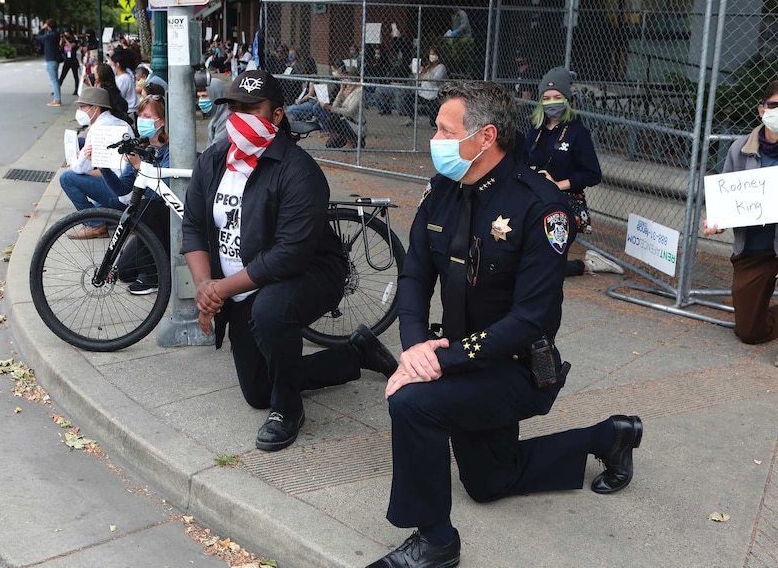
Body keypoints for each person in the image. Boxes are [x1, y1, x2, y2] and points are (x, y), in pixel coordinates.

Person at [363, 79, 643, 568]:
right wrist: (414, 347)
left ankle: (435, 542)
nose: (435, 137)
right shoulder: (444, 193)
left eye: (445, 129)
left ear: (485, 137)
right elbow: (414, 275)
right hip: (459, 361)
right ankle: (609, 437)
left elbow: (529, 318)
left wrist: (439, 360)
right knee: (489, 483)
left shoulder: (541, 207)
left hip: (515, 369)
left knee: (412, 404)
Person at [181, 70, 398, 452]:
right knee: (257, 390)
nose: (240, 116)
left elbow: (287, 256)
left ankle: (288, 410)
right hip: (240, 286)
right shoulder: (213, 161)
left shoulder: (299, 171)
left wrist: (220, 289)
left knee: (270, 311)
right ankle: (355, 354)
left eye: (252, 108)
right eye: (233, 108)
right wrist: (203, 288)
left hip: (311, 272)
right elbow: (195, 227)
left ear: (277, 115)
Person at [523, 67, 623, 276]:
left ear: (567, 99)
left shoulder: (578, 133)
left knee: (544, 268)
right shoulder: (535, 132)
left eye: (557, 97)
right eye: (547, 97)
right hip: (534, 200)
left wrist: (558, 184)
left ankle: (588, 265)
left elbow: (592, 174)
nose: (552, 102)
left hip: (566, 203)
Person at [703, 80, 778, 357]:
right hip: (755, 250)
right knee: (748, 333)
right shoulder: (739, 149)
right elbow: (729, 198)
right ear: (762, 110)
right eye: (774, 105)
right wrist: (717, 220)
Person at [102, 94, 171, 295]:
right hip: (151, 221)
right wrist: (104, 166)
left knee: (146, 206)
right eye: (140, 115)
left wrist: (140, 166)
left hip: (168, 220)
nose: (142, 120)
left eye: (147, 116)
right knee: (124, 271)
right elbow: (122, 189)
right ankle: (157, 265)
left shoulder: (171, 150)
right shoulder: (143, 149)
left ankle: (153, 278)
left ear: (162, 121)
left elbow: (162, 192)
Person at [59, 87, 134, 239]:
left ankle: (95, 225)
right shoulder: (122, 124)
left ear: (95, 108)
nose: (80, 111)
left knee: (67, 178)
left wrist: (73, 164)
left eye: (82, 107)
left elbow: (81, 168)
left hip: (121, 193)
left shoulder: (98, 128)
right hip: (130, 191)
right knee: (95, 205)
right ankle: (107, 219)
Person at [312, 65, 364, 149]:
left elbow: (349, 112)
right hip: (345, 120)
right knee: (330, 144)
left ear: (354, 79)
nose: (346, 80)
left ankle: (351, 141)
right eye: (345, 78)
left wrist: (330, 108)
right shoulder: (345, 90)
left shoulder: (359, 92)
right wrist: (341, 91)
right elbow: (335, 106)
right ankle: (352, 140)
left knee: (334, 117)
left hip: (355, 123)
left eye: (348, 78)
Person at [397, 47, 446, 128]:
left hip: (433, 94)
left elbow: (435, 80)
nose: (431, 56)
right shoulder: (428, 66)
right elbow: (419, 79)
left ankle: (435, 122)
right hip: (423, 93)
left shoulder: (441, 67)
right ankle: (412, 118)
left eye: (433, 54)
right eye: (430, 54)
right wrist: (415, 71)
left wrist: (426, 72)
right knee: (407, 98)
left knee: (433, 121)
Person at [197, 76, 229, 149]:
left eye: (204, 96)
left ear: (216, 96)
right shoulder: (217, 117)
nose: (201, 100)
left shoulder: (226, 120)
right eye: (199, 97)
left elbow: (215, 151)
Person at [35, 19, 62, 106]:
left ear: (48, 26)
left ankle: (57, 99)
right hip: (56, 59)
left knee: (53, 81)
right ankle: (57, 98)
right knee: (55, 80)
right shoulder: (56, 35)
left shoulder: (49, 36)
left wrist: (43, 29)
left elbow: (38, 37)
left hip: (51, 60)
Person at [111, 49, 139, 118]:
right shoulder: (124, 77)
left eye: (112, 63)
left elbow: (118, 97)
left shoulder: (123, 79)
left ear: (117, 65)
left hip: (128, 111)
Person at [58, 30, 80, 96]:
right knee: (62, 75)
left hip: (73, 61)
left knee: (75, 76)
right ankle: (57, 89)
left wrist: (66, 40)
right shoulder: (65, 41)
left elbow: (71, 46)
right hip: (67, 61)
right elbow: (60, 46)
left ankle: (76, 89)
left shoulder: (74, 40)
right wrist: (62, 40)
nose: (66, 36)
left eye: (67, 34)